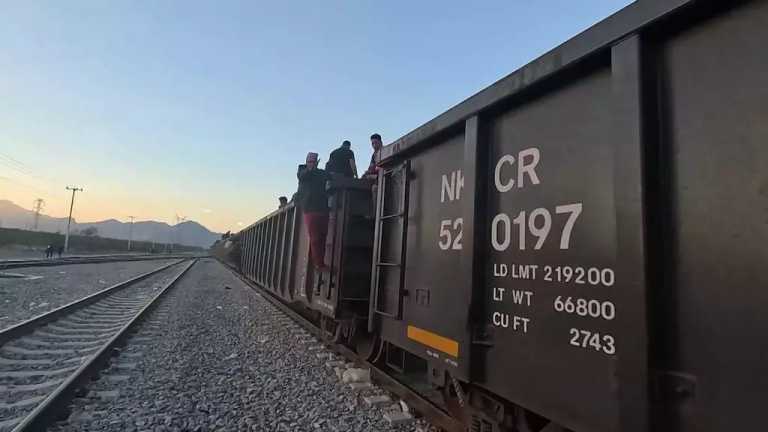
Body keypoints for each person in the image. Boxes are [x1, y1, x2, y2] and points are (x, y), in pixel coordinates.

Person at [297, 152, 330, 271]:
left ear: (317, 161)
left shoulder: (321, 173)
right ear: (306, 162)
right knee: (315, 238)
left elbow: (331, 176)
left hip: (323, 208)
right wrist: (310, 169)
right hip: (310, 209)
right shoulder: (302, 171)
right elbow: (302, 176)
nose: (311, 163)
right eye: (309, 161)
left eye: (313, 161)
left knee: (323, 236)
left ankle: (320, 262)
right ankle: (318, 264)